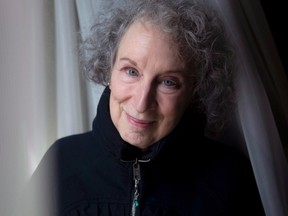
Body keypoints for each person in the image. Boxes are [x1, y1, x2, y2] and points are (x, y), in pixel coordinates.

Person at [16, 0, 265, 215]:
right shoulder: (61, 163)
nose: (142, 102)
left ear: (195, 90)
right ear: (108, 70)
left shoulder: (230, 179)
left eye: (169, 82)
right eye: (131, 71)